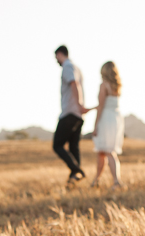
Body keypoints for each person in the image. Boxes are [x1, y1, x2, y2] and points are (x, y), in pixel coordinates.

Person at [53, 45, 88, 185]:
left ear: (61, 54)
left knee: (57, 145)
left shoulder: (67, 67)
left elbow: (74, 84)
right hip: (78, 115)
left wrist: (79, 104)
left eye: (56, 57)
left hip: (70, 112)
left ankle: (77, 170)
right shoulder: (77, 67)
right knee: (74, 146)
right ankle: (75, 176)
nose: (56, 60)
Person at [89, 61, 125, 189]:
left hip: (106, 119)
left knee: (108, 151)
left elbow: (101, 106)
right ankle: (96, 180)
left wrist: (95, 125)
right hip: (116, 118)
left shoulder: (103, 85)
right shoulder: (117, 87)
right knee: (103, 152)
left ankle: (116, 181)